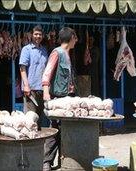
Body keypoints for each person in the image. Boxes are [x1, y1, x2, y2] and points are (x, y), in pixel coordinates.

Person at [42, 27, 78, 170]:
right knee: (55, 130)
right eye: (75, 38)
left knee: (65, 130)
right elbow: (47, 73)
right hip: (58, 98)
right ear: (70, 37)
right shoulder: (57, 53)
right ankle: (46, 162)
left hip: (67, 97)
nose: (76, 41)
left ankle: (64, 161)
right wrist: (46, 94)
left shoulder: (67, 54)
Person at [19, 25, 49, 128]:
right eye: (36, 34)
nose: (38, 36)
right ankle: (29, 142)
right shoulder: (26, 49)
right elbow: (22, 68)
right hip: (30, 90)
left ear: (42, 36)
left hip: (42, 89)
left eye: (40, 34)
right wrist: (26, 86)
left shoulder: (44, 50)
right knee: (30, 118)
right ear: (32, 35)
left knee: (39, 117)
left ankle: (38, 141)